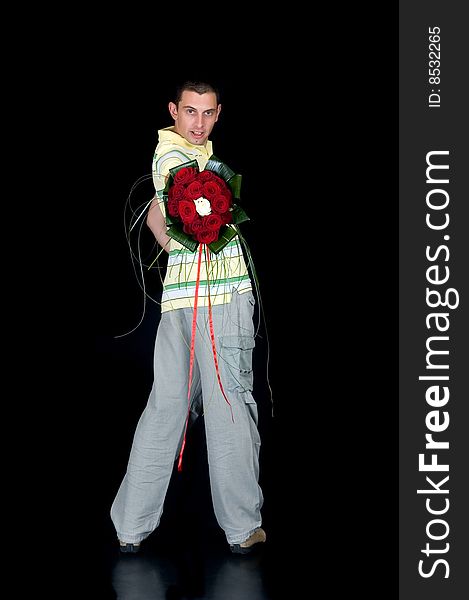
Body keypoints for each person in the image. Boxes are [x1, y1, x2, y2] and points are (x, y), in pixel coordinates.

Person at [110, 80, 266, 555]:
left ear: (218, 115)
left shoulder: (167, 160)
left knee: (167, 404)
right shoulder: (179, 161)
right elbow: (199, 214)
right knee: (230, 404)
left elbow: (158, 219)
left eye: (208, 113)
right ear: (173, 111)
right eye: (190, 112)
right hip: (219, 299)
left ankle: (130, 526)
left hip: (182, 299)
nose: (198, 123)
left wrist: (179, 254)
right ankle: (242, 529)